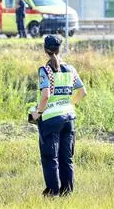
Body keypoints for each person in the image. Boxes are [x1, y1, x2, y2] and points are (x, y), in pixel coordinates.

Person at [30, 35, 87, 198]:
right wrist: (70, 104)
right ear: (59, 49)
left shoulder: (45, 70)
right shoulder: (71, 69)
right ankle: (67, 193)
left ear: (45, 50)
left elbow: (46, 96)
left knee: (50, 157)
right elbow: (83, 92)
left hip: (50, 120)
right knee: (66, 157)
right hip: (69, 118)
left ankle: (53, 192)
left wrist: (37, 113)